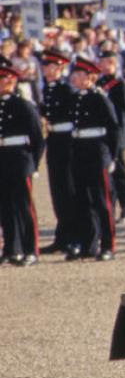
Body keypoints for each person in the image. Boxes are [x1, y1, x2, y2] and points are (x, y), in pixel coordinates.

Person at [66, 57, 120, 261]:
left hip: (97, 152)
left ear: (90, 78)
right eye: (75, 74)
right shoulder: (76, 98)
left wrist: (112, 156)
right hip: (80, 151)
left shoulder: (100, 98)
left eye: (79, 75)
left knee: (102, 200)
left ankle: (109, 245)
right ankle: (88, 243)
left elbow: (113, 129)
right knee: (82, 201)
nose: (75, 78)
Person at [0, 60, 44, 266]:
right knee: (5, 207)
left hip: (20, 159)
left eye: (5, 79)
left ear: (13, 80)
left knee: (24, 207)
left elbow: (37, 138)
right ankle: (11, 248)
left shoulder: (23, 105)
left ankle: (31, 249)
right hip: (3, 159)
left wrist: (33, 164)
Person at [38, 48, 76, 253]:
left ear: (60, 67)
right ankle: (62, 236)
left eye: (50, 66)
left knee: (69, 190)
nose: (46, 70)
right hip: (54, 139)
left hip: (66, 141)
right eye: (45, 66)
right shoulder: (49, 89)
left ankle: (73, 236)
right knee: (58, 190)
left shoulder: (66, 89)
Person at [98, 50, 125, 223]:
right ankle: (110, 208)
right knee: (106, 173)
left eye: (108, 63)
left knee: (120, 172)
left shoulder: (120, 84)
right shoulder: (98, 83)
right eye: (102, 63)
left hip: (116, 132)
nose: (105, 66)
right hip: (101, 133)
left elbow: (123, 109)